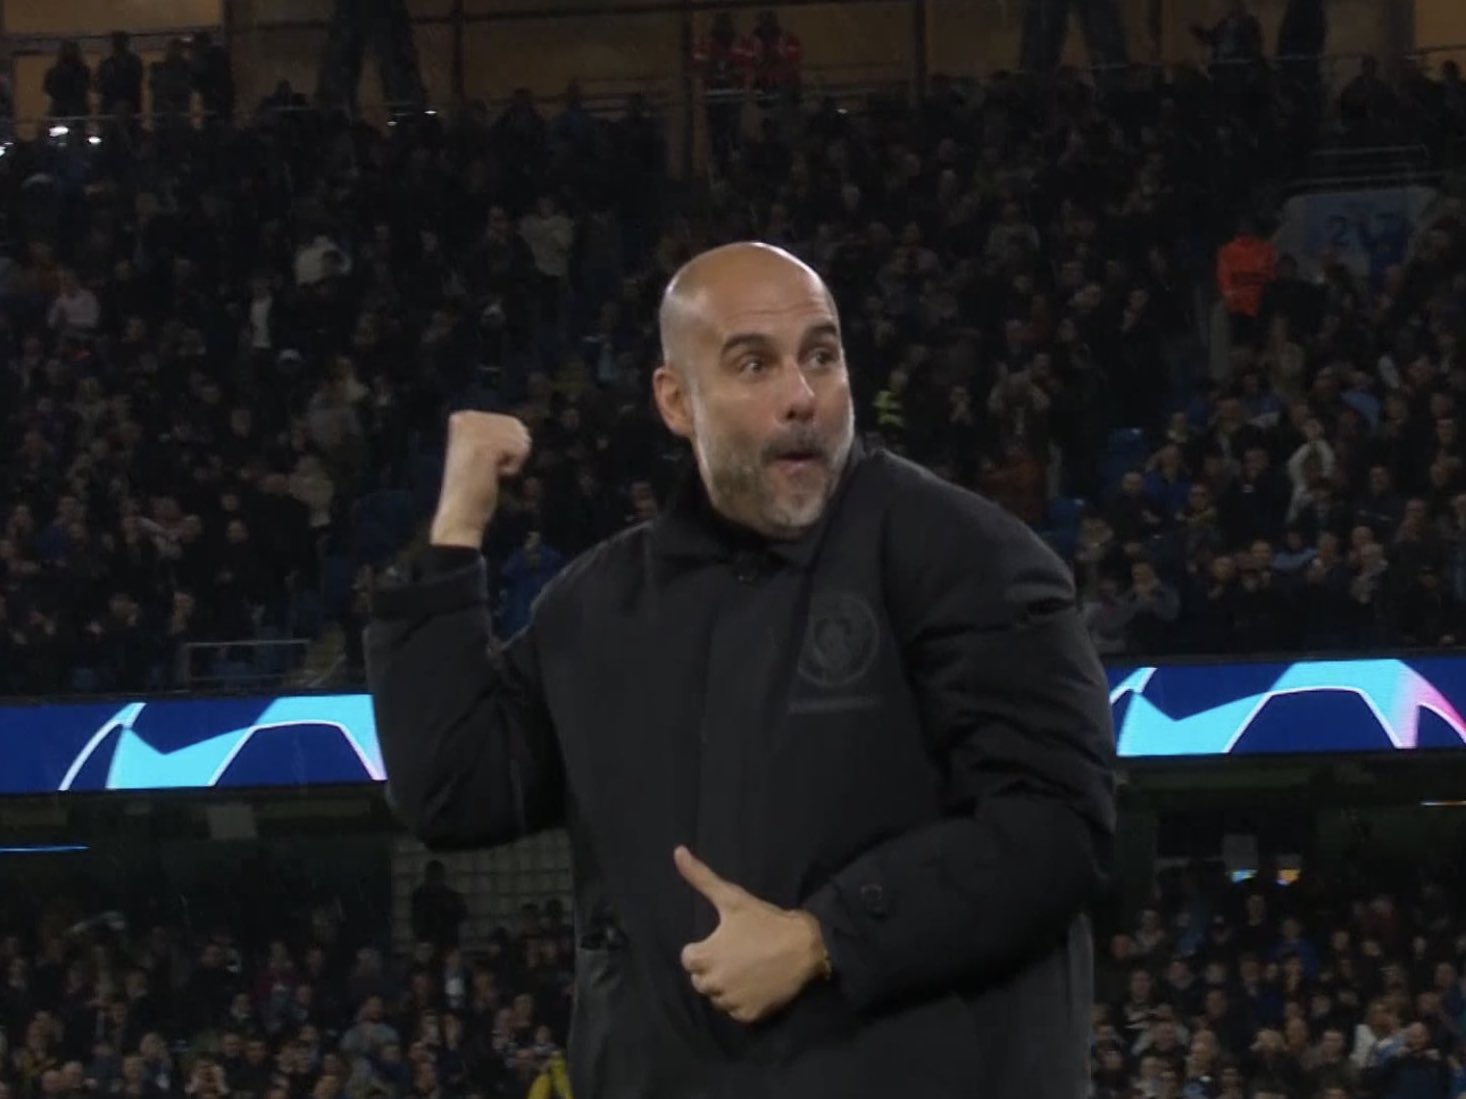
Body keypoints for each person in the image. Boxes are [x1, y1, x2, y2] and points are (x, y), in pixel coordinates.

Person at [365, 242, 1116, 1099]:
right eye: (753, 364)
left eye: (821, 357)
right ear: (676, 402)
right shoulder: (602, 606)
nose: (802, 397)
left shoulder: (966, 557)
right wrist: (456, 529)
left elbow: (1059, 827)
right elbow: (455, 789)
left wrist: (825, 937)